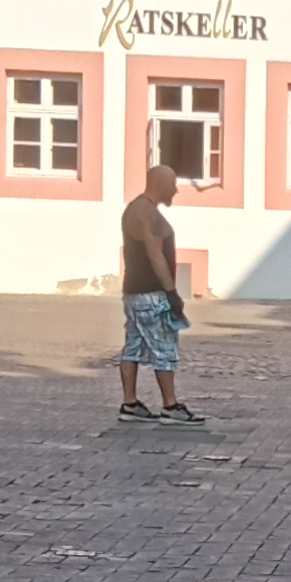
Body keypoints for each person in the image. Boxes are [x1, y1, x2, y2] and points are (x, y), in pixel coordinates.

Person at [119, 160, 195, 420]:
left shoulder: (135, 208)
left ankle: (130, 403)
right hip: (152, 294)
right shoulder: (147, 213)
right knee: (164, 348)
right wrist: (172, 293)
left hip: (133, 292)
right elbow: (155, 256)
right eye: (173, 184)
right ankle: (170, 407)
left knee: (133, 346)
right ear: (161, 185)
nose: (175, 190)